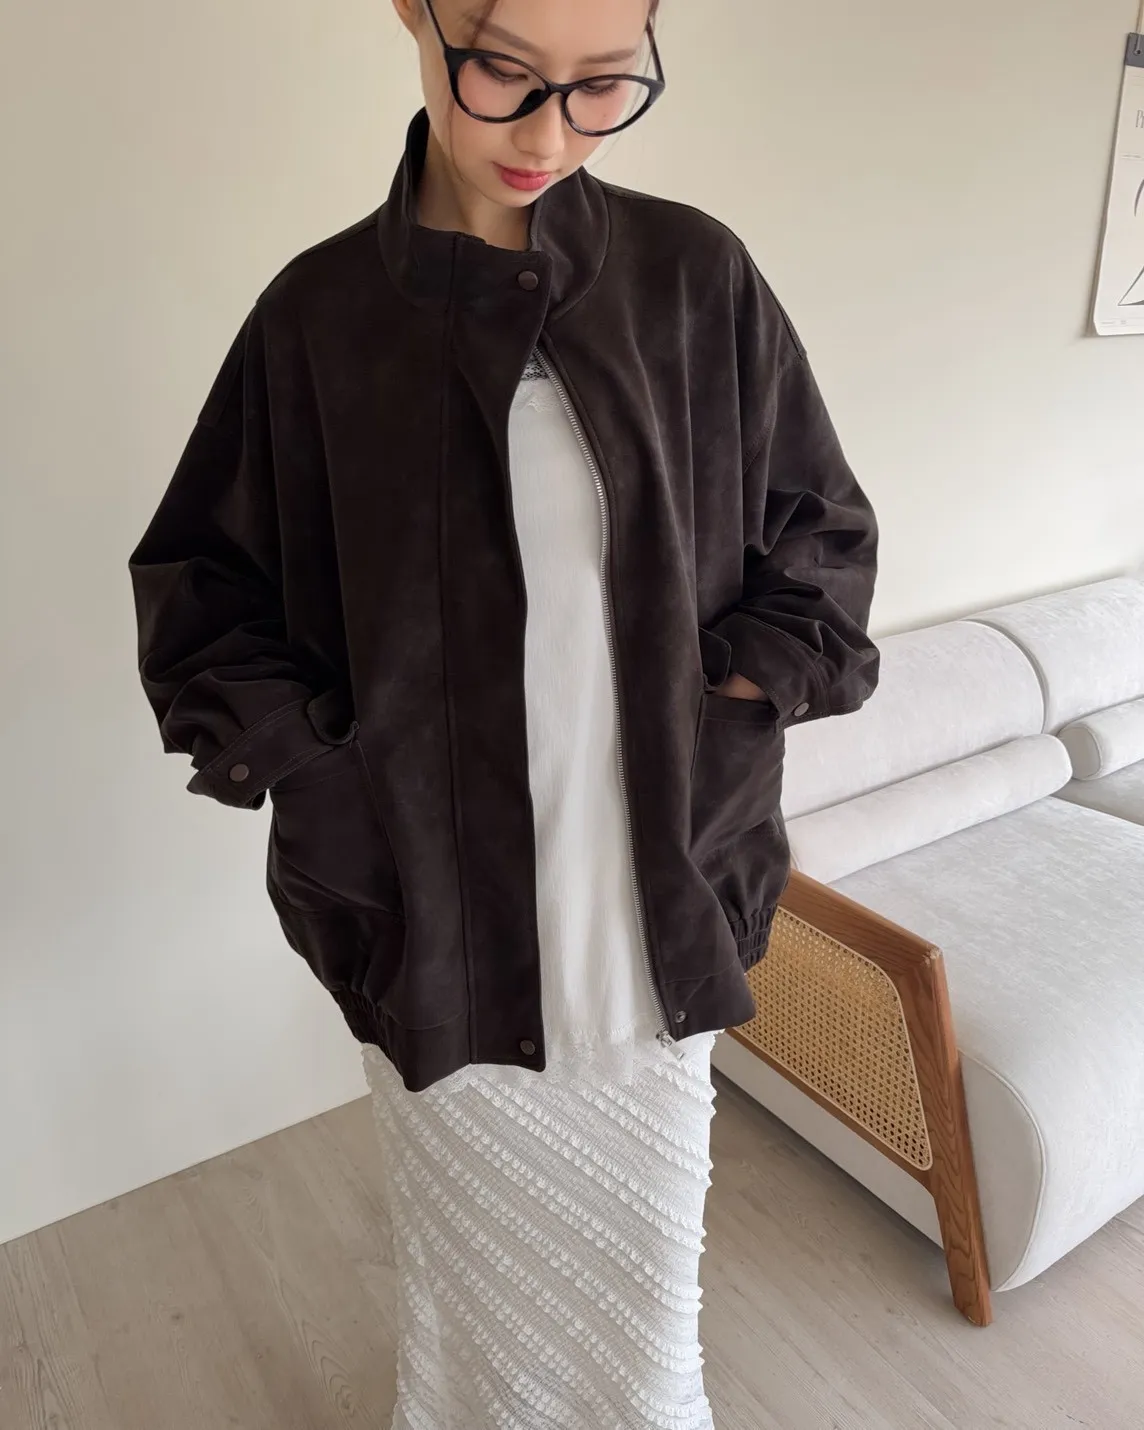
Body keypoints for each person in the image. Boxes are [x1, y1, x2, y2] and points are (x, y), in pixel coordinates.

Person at [129, 0, 880, 1423]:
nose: (550, 134)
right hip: (430, 906)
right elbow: (200, 590)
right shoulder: (318, 318)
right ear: (414, 16)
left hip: (650, 892)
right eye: (504, 74)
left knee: (647, 1321)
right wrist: (320, 773)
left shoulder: (693, 278)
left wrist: (736, 697)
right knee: (471, 1293)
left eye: (603, 87)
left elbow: (822, 536)